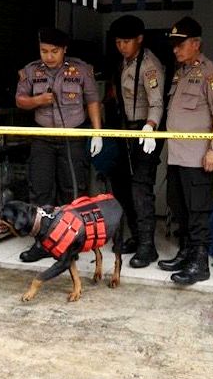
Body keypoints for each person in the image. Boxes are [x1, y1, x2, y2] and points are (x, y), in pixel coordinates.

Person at [15, 27, 103, 262]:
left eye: (54, 51)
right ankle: (42, 243)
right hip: (43, 137)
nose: (49, 56)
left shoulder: (81, 70)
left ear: (65, 50)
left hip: (72, 137)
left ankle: (72, 242)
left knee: (72, 190)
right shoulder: (31, 71)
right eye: (44, 51)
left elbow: (93, 100)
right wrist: (37, 100)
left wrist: (97, 133)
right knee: (41, 191)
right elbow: (20, 100)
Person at [159, 16, 213, 285]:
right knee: (180, 207)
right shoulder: (181, 72)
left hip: (198, 156)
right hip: (177, 156)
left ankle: (200, 263)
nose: (175, 50)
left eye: (180, 44)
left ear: (196, 44)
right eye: (173, 45)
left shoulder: (211, 74)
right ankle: (185, 253)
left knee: (198, 210)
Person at [107, 15, 165, 268]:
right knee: (121, 187)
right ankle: (136, 236)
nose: (121, 46)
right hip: (124, 131)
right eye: (118, 41)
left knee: (141, 188)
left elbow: (157, 102)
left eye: (126, 41)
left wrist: (150, 128)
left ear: (140, 39)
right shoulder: (123, 62)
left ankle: (147, 246)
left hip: (144, 133)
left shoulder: (150, 65)